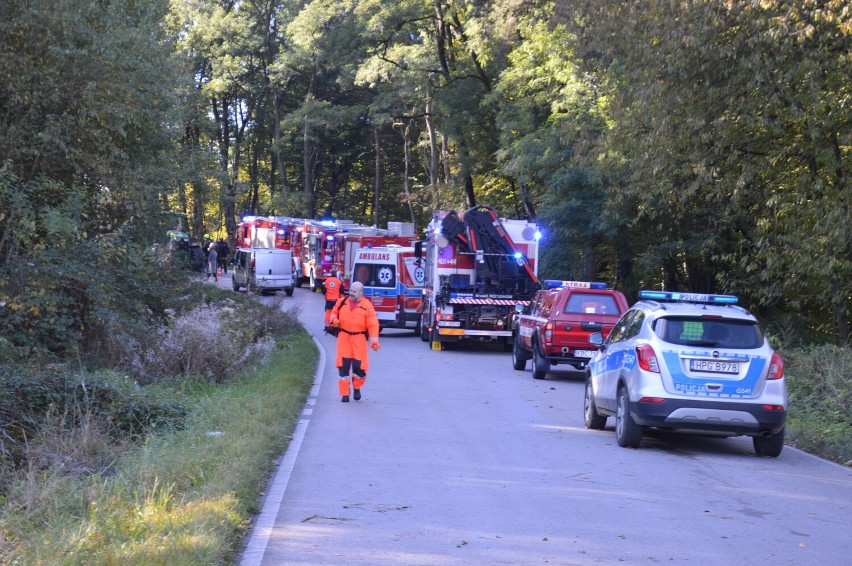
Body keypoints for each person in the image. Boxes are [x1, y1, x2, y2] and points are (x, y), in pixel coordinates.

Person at [328, 282, 380, 402]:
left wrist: (374, 341)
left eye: (354, 291)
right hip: (344, 338)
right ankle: (345, 394)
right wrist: (333, 320)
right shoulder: (342, 301)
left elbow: (373, 324)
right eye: (350, 290)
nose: (351, 293)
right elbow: (333, 313)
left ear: (361, 293)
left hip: (359, 339)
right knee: (343, 368)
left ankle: (357, 387)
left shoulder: (367, 306)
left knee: (360, 369)